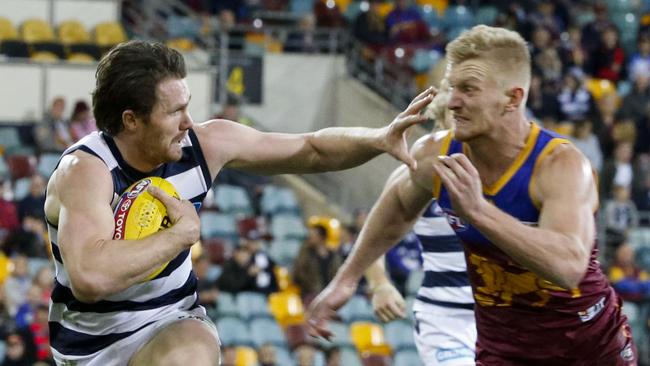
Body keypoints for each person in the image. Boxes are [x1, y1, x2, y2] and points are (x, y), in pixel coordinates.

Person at [43, 40, 433, 365]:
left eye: (188, 105)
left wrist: (377, 138)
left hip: (168, 321)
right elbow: (90, 279)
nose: (189, 122)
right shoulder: (86, 170)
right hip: (86, 347)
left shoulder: (205, 144)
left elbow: (311, 149)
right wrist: (181, 235)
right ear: (131, 120)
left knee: (191, 353)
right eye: (175, 111)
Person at [307, 25, 636, 365]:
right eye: (451, 88)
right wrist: (346, 279)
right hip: (502, 348)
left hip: (587, 346)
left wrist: (478, 210)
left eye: (468, 89)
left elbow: (568, 267)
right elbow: (398, 209)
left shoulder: (561, 165)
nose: (452, 101)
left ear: (513, 98)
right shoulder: (436, 154)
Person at [363, 81, 476, 366]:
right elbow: (373, 235)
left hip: (502, 315)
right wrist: (379, 284)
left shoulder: (497, 172)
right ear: (440, 121)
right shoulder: (417, 174)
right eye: (456, 116)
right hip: (445, 319)